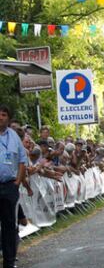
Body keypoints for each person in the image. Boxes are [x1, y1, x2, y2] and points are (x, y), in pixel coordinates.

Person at [0, 105, 27, 268]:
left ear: (8, 118)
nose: (0, 117)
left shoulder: (14, 137)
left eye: (3, 115)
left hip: (10, 185)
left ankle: (9, 261)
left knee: (9, 225)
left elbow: (22, 161)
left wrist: (17, 182)